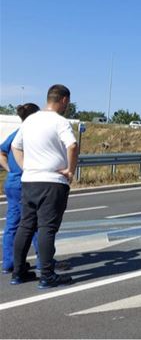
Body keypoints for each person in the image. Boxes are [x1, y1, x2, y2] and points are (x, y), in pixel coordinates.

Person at [10, 84, 78, 288]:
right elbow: (72, 145)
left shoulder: (30, 120)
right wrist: (70, 170)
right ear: (64, 100)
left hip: (29, 181)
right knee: (47, 228)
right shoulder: (60, 122)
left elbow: (15, 145)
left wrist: (25, 167)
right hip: (52, 182)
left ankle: (18, 272)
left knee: (25, 226)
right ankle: (47, 275)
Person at [1, 103, 40, 274]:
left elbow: (1, 152)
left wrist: (10, 169)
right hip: (26, 183)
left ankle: (9, 262)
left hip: (12, 183)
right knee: (37, 223)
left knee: (12, 224)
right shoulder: (32, 134)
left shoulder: (14, 134)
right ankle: (43, 260)